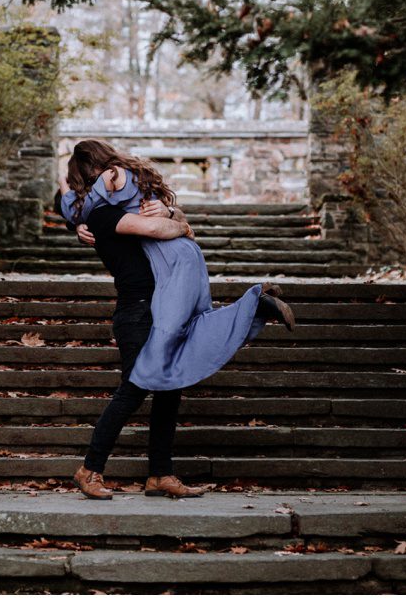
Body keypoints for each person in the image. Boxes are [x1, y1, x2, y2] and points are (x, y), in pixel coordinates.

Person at [55, 140, 295, 501]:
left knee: (169, 389)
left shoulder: (124, 205)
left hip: (163, 303)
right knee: (134, 389)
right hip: (136, 310)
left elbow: (167, 221)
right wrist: (176, 224)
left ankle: (160, 475)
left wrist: (171, 215)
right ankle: (89, 469)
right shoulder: (101, 215)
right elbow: (156, 231)